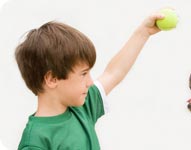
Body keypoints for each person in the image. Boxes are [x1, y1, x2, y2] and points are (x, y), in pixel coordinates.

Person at [15, 11, 165, 150]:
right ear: (52, 79)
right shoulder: (35, 142)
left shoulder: (82, 107)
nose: (90, 82)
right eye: (83, 74)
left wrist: (143, 33)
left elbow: (113, 73)